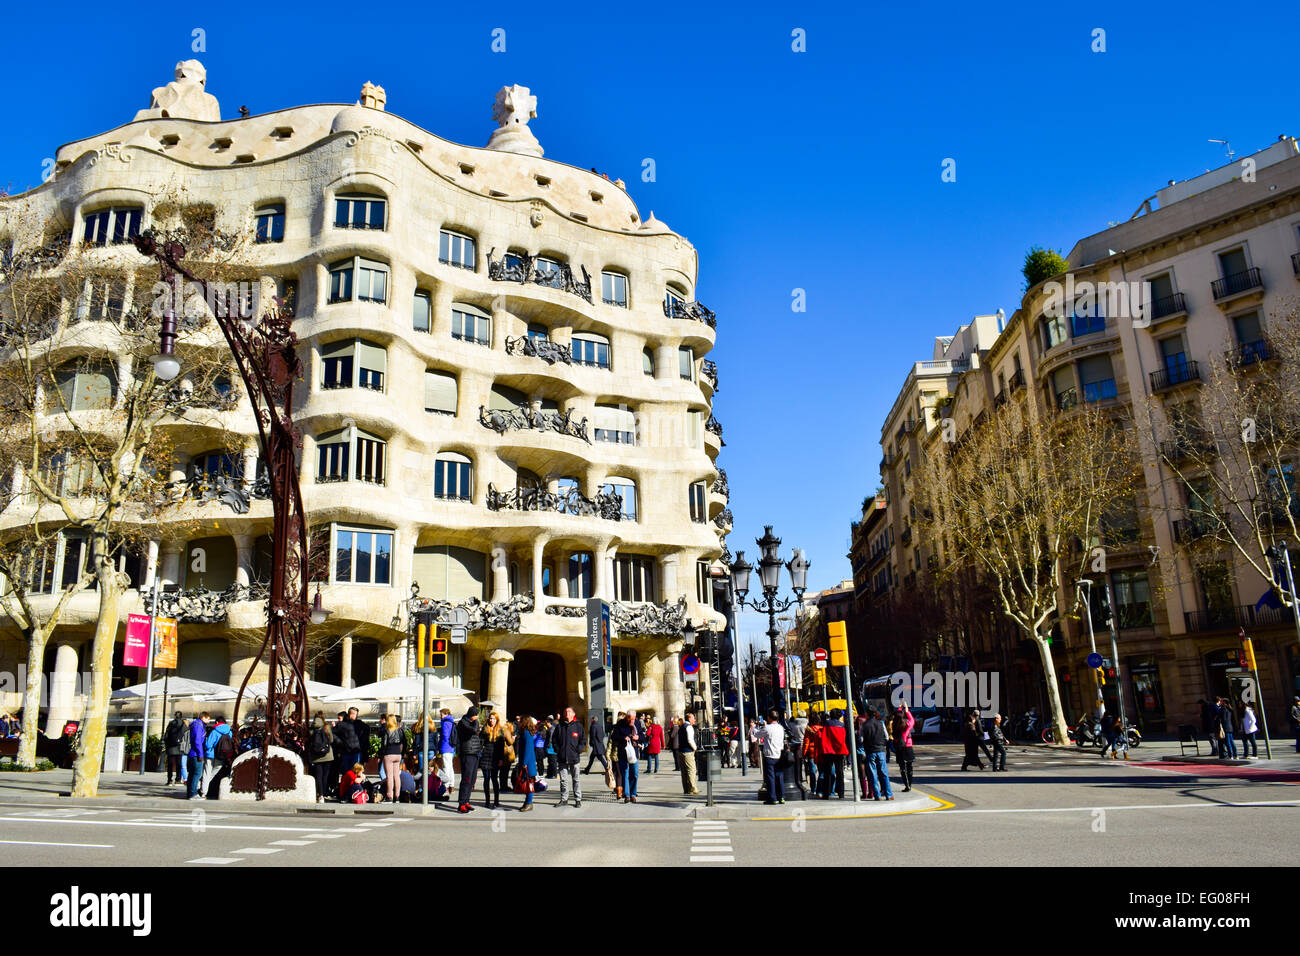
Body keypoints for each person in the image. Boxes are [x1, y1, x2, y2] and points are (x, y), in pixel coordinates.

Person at [551, 706, 585, 807]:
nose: (567, 713)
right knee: (563, 780)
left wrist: (578, 750)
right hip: (562, 757)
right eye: (565, 712)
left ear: (573, 714)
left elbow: (583, 740)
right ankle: (564, 799)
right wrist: (558, 750)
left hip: (574, 757)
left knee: (576, 779)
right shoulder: (560, 726)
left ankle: (578, 799)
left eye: (569, 712)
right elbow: (554, 740)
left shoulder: (578, 726)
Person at [753, 710, 787, 804]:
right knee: (779, 776)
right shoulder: (780, 728)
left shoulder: (768, 728)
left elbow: (757, 734)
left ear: (769, 718)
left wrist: (756, 726)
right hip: (779, 754)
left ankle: (772, 797)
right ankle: (782, 796)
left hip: (770, 755)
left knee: (770, 778)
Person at [456, 706, 483, 813]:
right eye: (476, 715)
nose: (477, 717)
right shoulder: (463, 723)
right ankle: (461, 803)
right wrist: (476, 723)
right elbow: (473, 730)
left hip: (475, 753)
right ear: (472, 715)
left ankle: (467, 800)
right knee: (466, 779)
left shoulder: (472, 722)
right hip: (467, 753)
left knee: (472, 779)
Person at [861, 709, 893, 800]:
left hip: (870, 751)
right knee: (884, 773)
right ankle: (889, 794)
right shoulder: (881, 723)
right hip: (881, 750)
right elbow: (886, 737)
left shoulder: (865, 725)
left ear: (867, 715)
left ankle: (877, 795)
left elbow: (861, 739)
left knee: (872, 774)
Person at [611, 710, 641, 802]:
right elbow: (614, 736)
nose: (632, 721)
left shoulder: (637, 723)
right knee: (625, 773)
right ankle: (627, 795)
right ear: (627, 717)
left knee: (635, 774)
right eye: (630, 719)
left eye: (633, 719)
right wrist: (623, 738)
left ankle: (633, 793)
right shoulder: (620, 723)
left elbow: (643, 736)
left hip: (634, 753)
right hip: (623, 752)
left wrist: (638, 737)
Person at [201, 715, 234, 799]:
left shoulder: (215, 731)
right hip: (221, 755)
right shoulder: (229, 732)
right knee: (213, 772)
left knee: (207, 773)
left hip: (211, 754)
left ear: (217, 722)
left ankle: (203, 792)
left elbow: (208, 744)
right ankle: (204, 786)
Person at [480, 711, 508, 809]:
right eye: (491, 718)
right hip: (486, 756)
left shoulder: (500, 730)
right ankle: (487, 801)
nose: (492, 720)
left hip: (495, 757)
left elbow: (501, 747)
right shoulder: (484, 729)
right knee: (486, 779)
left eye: (494, 719)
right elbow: (480, 743)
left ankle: (496, 801)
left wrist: (501, 759)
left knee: (494, 779)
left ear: (497, 720)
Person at [331, 711, 362, 795]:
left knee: (347, 772)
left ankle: (346, 791)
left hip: (347, 751)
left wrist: (340, 742)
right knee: (353, 772)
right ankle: (352, 790)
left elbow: (332, 733)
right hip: (354, 750)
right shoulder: (353, 724)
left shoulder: (341, 725)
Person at [821, 709, 849, 797]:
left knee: (827, 772)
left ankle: (826, 793)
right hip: (839, 750)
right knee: (840, 772)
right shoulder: (842, 725)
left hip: (828, 750)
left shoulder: (826, 724)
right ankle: (841, 793)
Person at [378, 714, 405, 804]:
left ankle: (389, 797)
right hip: (398, 754)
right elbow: (404, 742)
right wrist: (402, 753)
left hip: (389, 754)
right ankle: (397, 797)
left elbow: (384, 744)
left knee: (389, 776)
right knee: (396, 776)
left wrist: (382, 754)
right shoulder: (400, 730)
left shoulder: (387, 730)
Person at [307, 715, 334, 802]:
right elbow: (331, 740)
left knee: (318, 776)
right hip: (327, 755)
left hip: (316, 756)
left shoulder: (311, 730)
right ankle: (325, 793)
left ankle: (320, 795)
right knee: (325, 776)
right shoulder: (327, 728)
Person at [516, 716, 538, 811]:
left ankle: (529, 803)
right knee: (527, 782)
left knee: (529, 783)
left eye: (520, 721)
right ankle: (527, 802)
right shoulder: (525, 733)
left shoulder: (526, 733)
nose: (519, 722)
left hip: (528, 763)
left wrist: (524, 763)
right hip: (527, 761)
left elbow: (528, 750)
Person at [186, 711, 209, 800]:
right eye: (208, 718)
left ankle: (190, 793)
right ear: (203, 717)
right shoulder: (199, 726)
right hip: (196, 753)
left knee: (192, 774)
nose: (208, 721)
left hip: (193, 753)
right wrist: (200, 754)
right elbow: (197, 741)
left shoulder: (196, 725)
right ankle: (193, 794)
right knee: (197, 774)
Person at [784, 713, 808, 799]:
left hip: (796, 746)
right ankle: (808, 777)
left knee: (798, 763)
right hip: (806, 744)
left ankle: (799, 778)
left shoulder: (793, 725)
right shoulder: (807, 724)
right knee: (808, 764)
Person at [894, 702, 917, 788]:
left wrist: (899, 709)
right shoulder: (907, 724)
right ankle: (910, 784)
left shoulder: (895, 725)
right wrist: (907, 710)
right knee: (909, 766)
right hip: (908, 746)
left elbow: (897, 716)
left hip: (899, 747)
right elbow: (912, 720)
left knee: (902, 767)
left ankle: (906, 785)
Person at [163, 711, 188, 786]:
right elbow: (186, 734)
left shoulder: (171, 723)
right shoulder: (183, 724)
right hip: (180, 746)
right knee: (179, 764)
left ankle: (169, 780)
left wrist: (167, 743)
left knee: (170, 764)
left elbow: (166, 735)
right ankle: (178, 779)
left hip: (171, 746)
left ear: (175, 716)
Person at [803, 712, 823, 796]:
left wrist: (804, 753)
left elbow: (806, 743)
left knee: (812, 771)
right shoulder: (821, 728)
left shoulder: (808, 729)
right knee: (821, 771)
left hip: (811, 752)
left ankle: (813, 789)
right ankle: (820, 788)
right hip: (820, 751)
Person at [437, 708, 458, 792]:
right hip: (451, 747)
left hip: (446, 747)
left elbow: (445, 736)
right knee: (450, 767)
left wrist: (440, 745)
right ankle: (451, 785)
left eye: (441, 714)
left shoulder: (445, 723)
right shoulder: (451, 722)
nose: (440, 716)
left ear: (446, 714)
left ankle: (445, 785)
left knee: (446, 767)